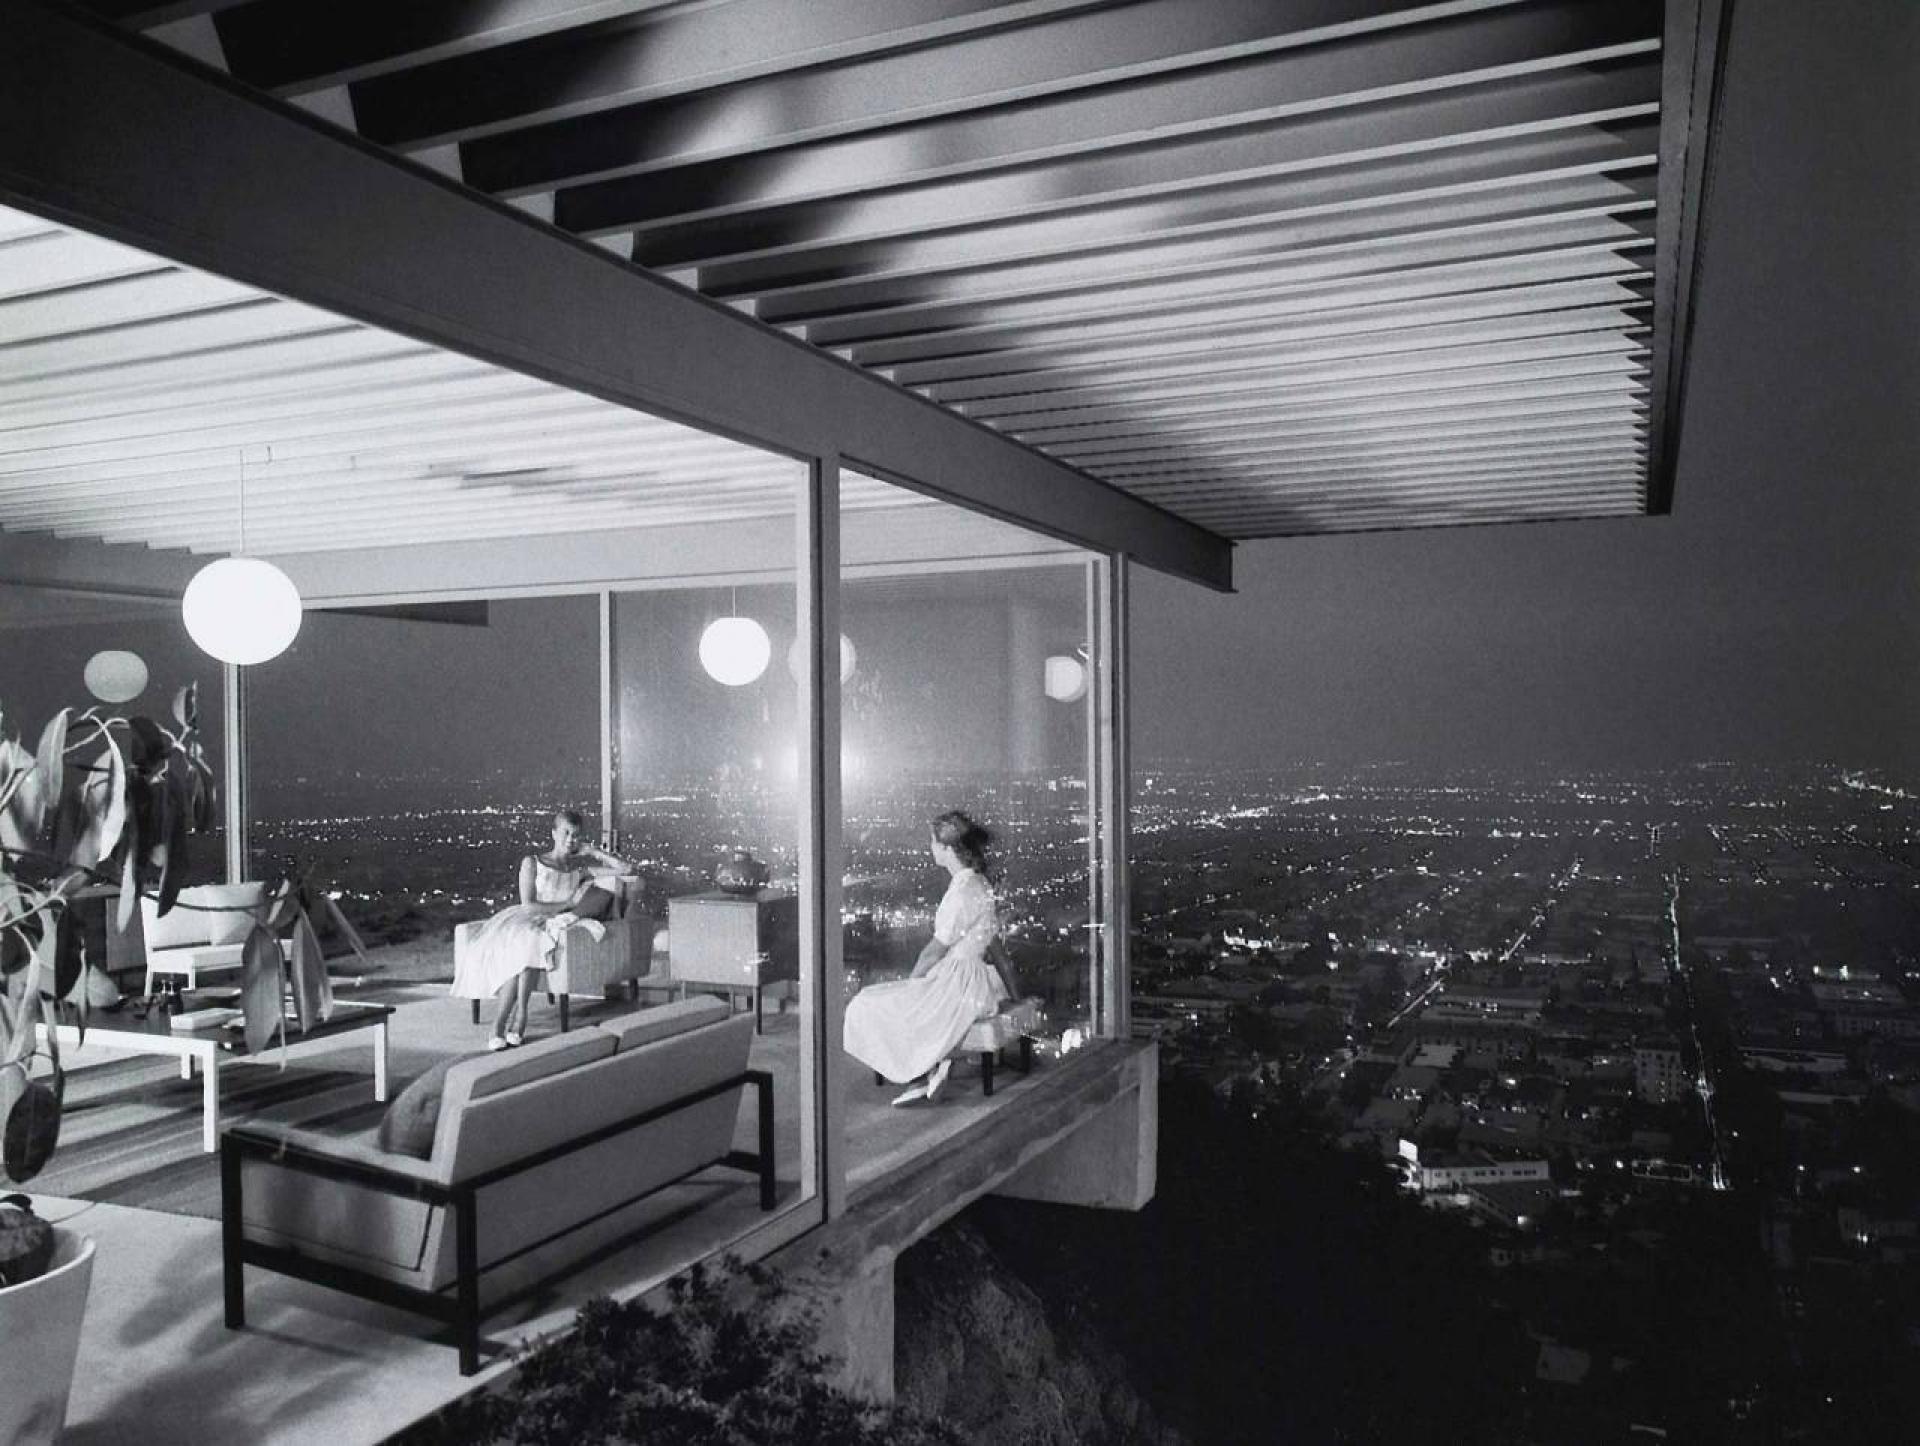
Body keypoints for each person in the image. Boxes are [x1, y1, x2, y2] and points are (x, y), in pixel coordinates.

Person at [844, 809, 1008, 1104]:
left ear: (947, 849)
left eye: (933, 842)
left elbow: (934, 951)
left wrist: (913, 982)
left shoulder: (961, 893)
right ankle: (928, 1070)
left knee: (866, 1002)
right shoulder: (978, 883)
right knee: (886, 1000)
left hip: (957, 982)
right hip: (972, 980)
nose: (930, 848)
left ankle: (919, 1072)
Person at [450, 809, 627, 1050]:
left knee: (533, 943)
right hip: (525, 920)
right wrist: (568, 904)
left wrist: (594, 852)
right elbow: (529, 905)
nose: (570, 840)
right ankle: (509, 1020)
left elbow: (625, 869)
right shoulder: (532, 862)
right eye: (565, 833)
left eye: (576, 835)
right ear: (554, 833)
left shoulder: (579, 870)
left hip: (551, 925)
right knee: (529, 940)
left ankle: (514, 1019)